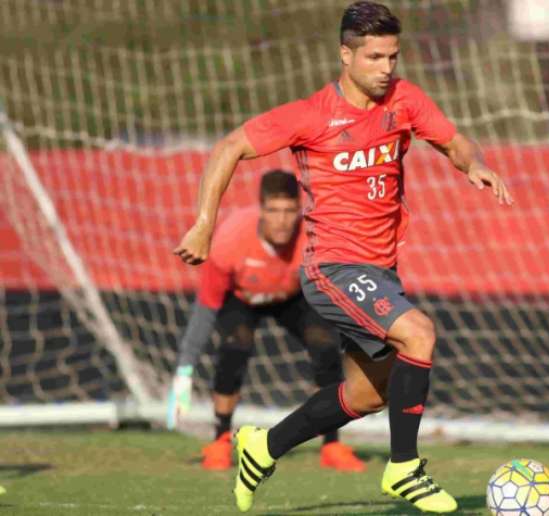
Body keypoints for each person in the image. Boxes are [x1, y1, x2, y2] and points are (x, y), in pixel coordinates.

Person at [174, 2, 512, 513]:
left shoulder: (406, 100)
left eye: (393, 56)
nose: (386, 69)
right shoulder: (310, 115)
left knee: (367, 394)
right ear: (345, 54)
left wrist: (475, 165)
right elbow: (228, 147)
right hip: (332, 267)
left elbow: (454, 142)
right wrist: (205, 224)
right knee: (419, 333)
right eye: (374, 57)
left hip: (381, 270)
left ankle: (262, 447)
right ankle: (404, 469)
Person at [167, 169, 364, 473]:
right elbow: (205, 309)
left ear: (299, 211)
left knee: (325, 344)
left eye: (289, 211)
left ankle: (332, 444)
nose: (282, 220)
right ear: (261, 210)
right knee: (236, 344)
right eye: (273, 210)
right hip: (242, 298)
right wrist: (183, 371)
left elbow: (335, 291)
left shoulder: (315, 238)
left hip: (291, 296)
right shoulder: (229, 241)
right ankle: (220, 440)